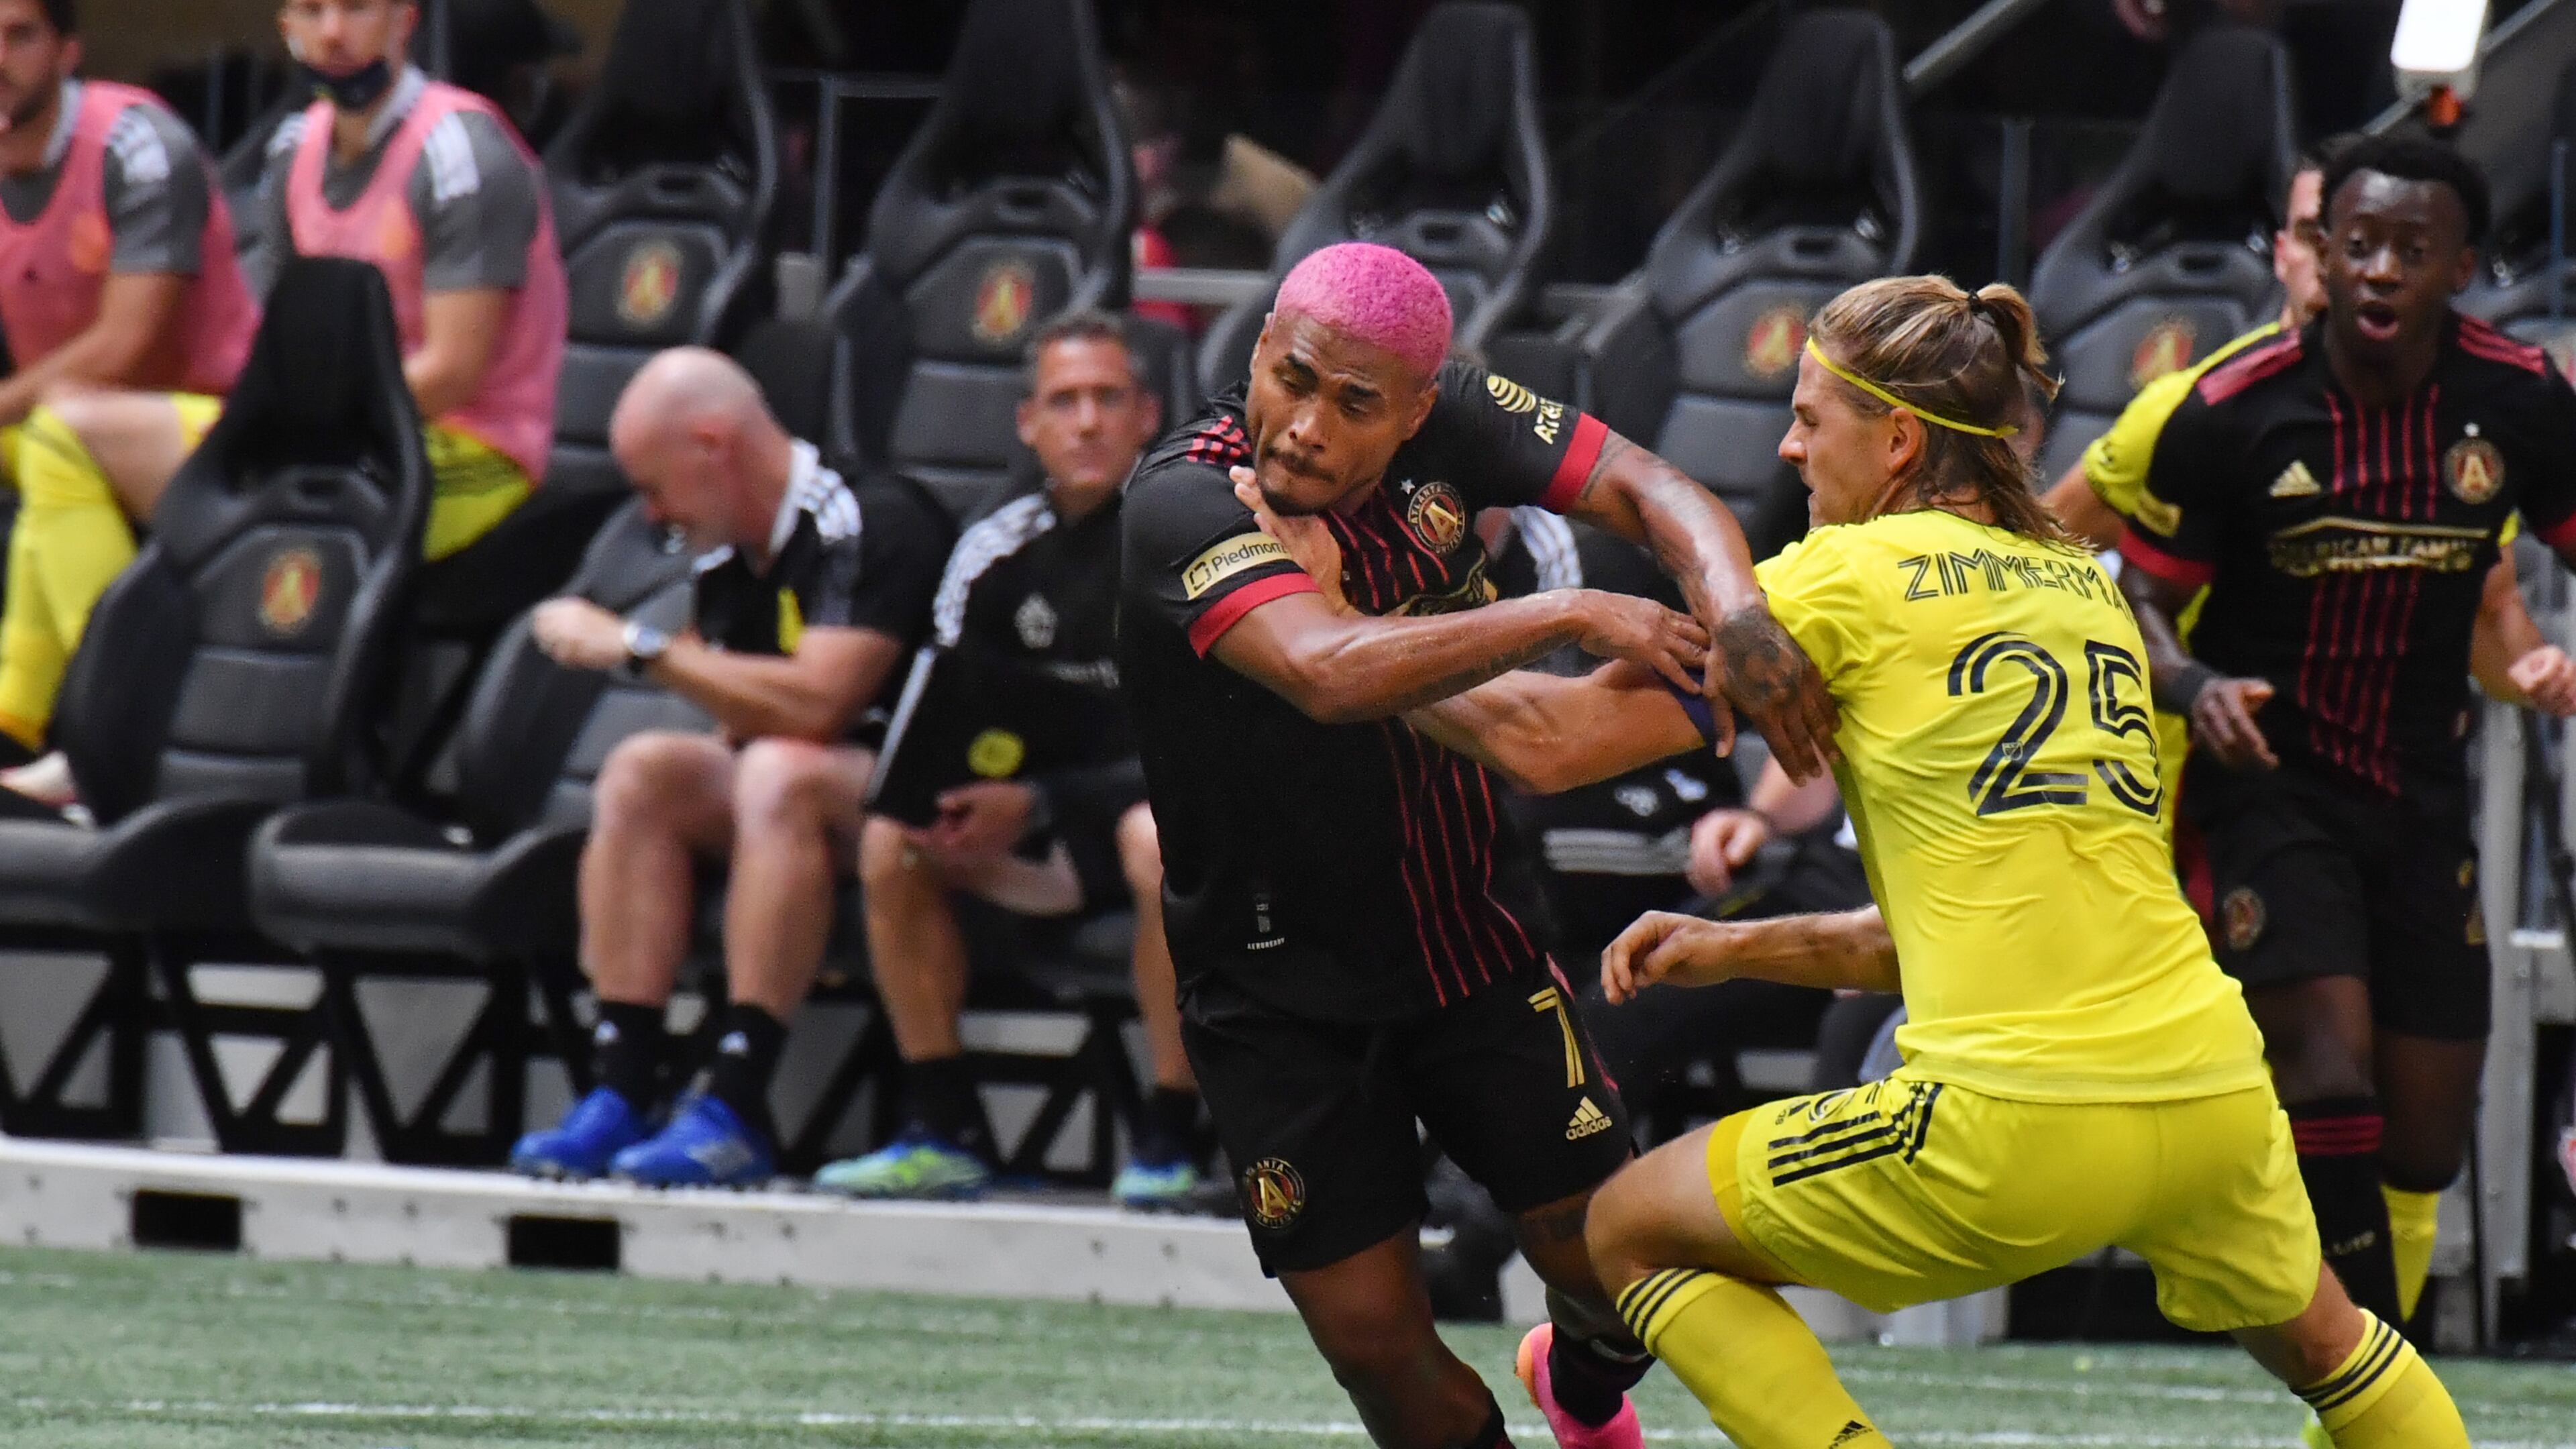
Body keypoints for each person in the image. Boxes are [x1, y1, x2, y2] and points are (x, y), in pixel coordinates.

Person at [1580, 273, 2474, 1449]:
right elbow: (1971, 929)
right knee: (2334, 1345)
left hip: (2012, 1127)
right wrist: (1735, 947)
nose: (1791, 448)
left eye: (1810, 417)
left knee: (1627, 1229)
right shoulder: (2086, 593)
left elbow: (1554, 740)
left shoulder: (1841, 575)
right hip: (2207, 1097)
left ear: (1897, 440)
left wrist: (1373, 642)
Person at [1118, 239, 1839, 1449]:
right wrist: (1565, 607)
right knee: (1383, 1359)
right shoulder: (1186, 500)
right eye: (1291, 380)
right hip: (1270, 991)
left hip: (1471, 947)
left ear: (1416, 411)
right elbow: (1329, 669)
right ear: (1258, 349)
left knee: (1622, 1279)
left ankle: (1585, 1381)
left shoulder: (1456, 409)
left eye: (1354, 407)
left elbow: (1653, 490)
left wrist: (1748, 614)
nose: (1304, 428)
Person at [2118, 137, 2576, 1343]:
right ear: (2319, 254)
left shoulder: (2520, 399)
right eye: (2356, 244)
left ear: (2463, 266)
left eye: (2410, 252)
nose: (2377, 271)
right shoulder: (2229, 409)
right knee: (2328, 1070)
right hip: (2272, 790)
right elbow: (2138, 594)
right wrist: (2195, 681)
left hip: (2426, 800)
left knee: (2421, 1144)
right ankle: (2370, 1379)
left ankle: (2302, 1277)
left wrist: (2548, 659)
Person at [0, 0, 566, 804]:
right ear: (285, 27)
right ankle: (90, 727)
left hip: (462, 451)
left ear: (404, 19)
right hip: (329, 440)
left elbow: (455, 371)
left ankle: (121, 743)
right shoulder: (294, 148)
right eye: (310, 10)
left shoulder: (461, 151)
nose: (334, 33)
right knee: (65, 435)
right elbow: (285, 348)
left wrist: (303, 421)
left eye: (357, 8)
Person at [506, 347, 949, 1187]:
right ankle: (621, 1086)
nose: (654, 515)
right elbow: (738, 715)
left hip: (925, 802)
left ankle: (736, 1099)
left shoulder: (867, 518)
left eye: (655, 486)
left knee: (780, 771)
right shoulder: (721, 554)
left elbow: (819, 705)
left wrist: (639, 648)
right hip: (799, 790)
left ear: (714, 445)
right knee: (645, 770)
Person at [811, 312, 1203, 1210]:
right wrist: (955, 799)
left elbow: (1211, 744)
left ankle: (1170, 1130)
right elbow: (943, 709)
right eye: (1065, 401)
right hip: (1038, 822)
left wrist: (1038, 803)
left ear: (1148, 414)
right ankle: (942, 1125)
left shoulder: (1190, 538)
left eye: (1108, 398)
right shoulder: (994, 549)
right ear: (1028, 422)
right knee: (892, 838)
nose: (1088, 421)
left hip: (1156, 813)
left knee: (1160, 842)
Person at [0, 0, 258, 769]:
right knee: (54, 436)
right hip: (61, 417)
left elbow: (126, 342)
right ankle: (16, 733)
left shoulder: (135, 145)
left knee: (56, 439)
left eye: (19, 37)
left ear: (69, 50)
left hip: (201, 423)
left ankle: (114, 717)